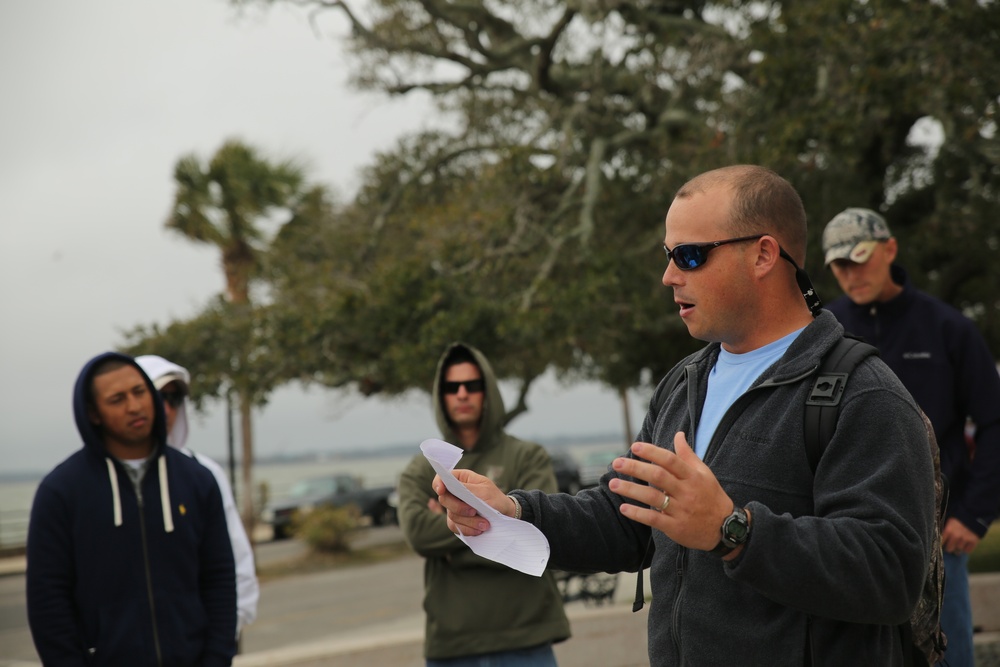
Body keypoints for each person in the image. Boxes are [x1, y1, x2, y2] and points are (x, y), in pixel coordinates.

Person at [435, 165, 937, 665]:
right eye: (668, 255)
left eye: (689, 256)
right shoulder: (684, 383)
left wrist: (732, 531)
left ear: (763, 254)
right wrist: (515, 511)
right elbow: (627, 518)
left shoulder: (862, 393)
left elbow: (890, 574)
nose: (669, 275)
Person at [822, 207, 1000, 667]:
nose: (850, 273)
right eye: (839, 265)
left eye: (859, 258)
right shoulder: (823, 333)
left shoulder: (949, 328)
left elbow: (995, 421)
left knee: (948, 657)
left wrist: (975, 512)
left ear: (890, 249)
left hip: (936, 538)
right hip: (848, 538)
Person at [26, 352, 237, 666]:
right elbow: (48, 600)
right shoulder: (62, 492)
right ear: (93, 414)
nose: (134, 406)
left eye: (139, 392)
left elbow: (219, 580)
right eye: (117, 399)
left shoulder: (197, 481)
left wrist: (216, 658)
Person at [396, 342, 571, 666]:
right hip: (453, 644)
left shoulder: (527, 456)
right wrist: (502, 517)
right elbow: (418, 535)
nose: (462, 394)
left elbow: (537, 527)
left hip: (527, 636)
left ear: (487, 390)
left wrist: (453, 518)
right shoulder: (421, 469)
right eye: (452, 387)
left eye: (472, 385)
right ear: (441, 396)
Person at [136, 354, 260, 642]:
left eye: (174, 399)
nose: (166, 409)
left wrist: (223, 637)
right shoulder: (95, 481)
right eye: (157, 396)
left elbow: (235, 560)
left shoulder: (204, 474)